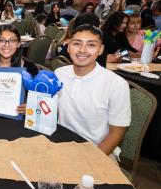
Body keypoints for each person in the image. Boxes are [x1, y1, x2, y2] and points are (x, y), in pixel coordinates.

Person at [55, 24, 131, 158]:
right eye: (77, 44)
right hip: (60, 144)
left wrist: (93, 160)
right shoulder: (59, 73)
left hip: (99, 151)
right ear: (68, 46)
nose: (82, 50)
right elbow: (55, 106)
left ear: (101, 50)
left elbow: (117, 132)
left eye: (91, 45)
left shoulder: (116, 84)